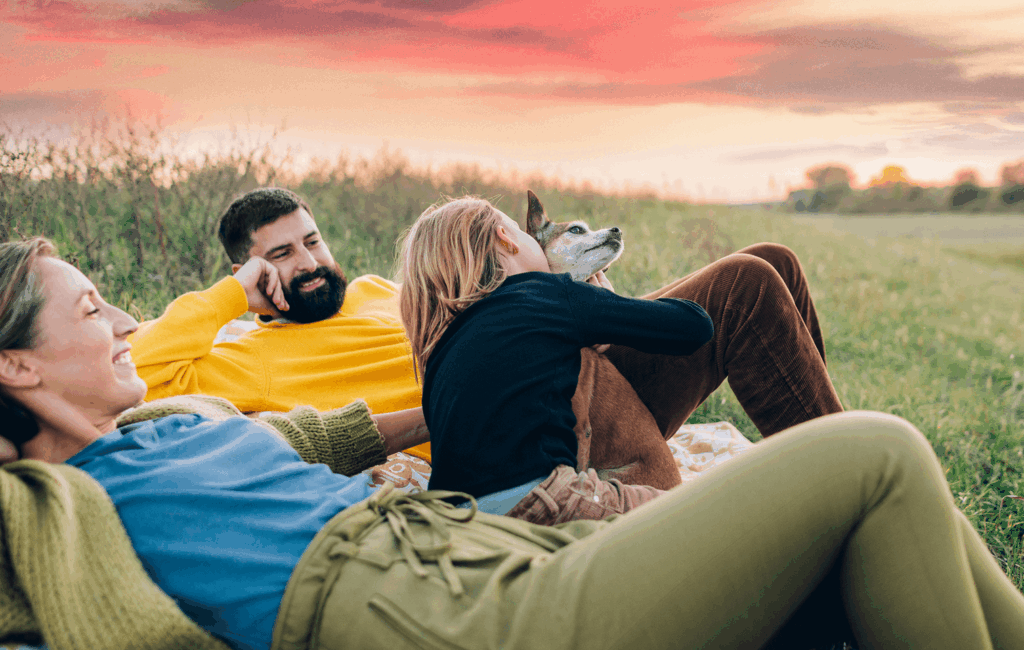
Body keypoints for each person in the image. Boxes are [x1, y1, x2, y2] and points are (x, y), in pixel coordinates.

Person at [5, 238, 1024, 650]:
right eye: (93, 310)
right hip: (431, 612)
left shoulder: (178, 423)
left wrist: (459, 400)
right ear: (17, 368)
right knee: (870, 453)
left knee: (842, 554)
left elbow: (325, 433)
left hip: (488, 549)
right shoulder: (52, 504)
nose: (124, 324)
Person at [127, 187, 844, 466]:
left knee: (768, 258)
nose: (310, 261)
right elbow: (141, 369)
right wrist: (230, 298)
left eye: (312, 240)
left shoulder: (382, 289)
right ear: (247, 272)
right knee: (747, 287)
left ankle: (843, 460)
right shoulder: (243, 355)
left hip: (578, 366)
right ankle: (851, 474)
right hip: (535, 424)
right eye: (280, 255)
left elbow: (493, 314)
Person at [397, 197, 715, 522]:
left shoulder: (444, 346)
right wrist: (608, 301)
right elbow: (694, 326)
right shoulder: (549, 292)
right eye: (522, 233)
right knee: (697, 512)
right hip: (538, 500)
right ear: (505, 237)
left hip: (449, 513)